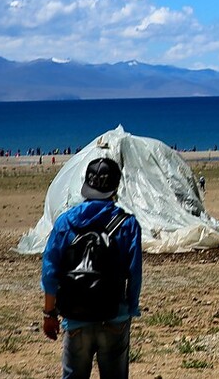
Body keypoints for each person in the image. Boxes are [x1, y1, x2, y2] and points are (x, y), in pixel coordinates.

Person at [41, 157, 143, 378]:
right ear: (115, 186)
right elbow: (134, 273)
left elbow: (50, 272)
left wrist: (49, 313)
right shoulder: (127, 224)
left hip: (75, 318)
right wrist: (130, 307)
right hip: (115, 315)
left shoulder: (65, 223)